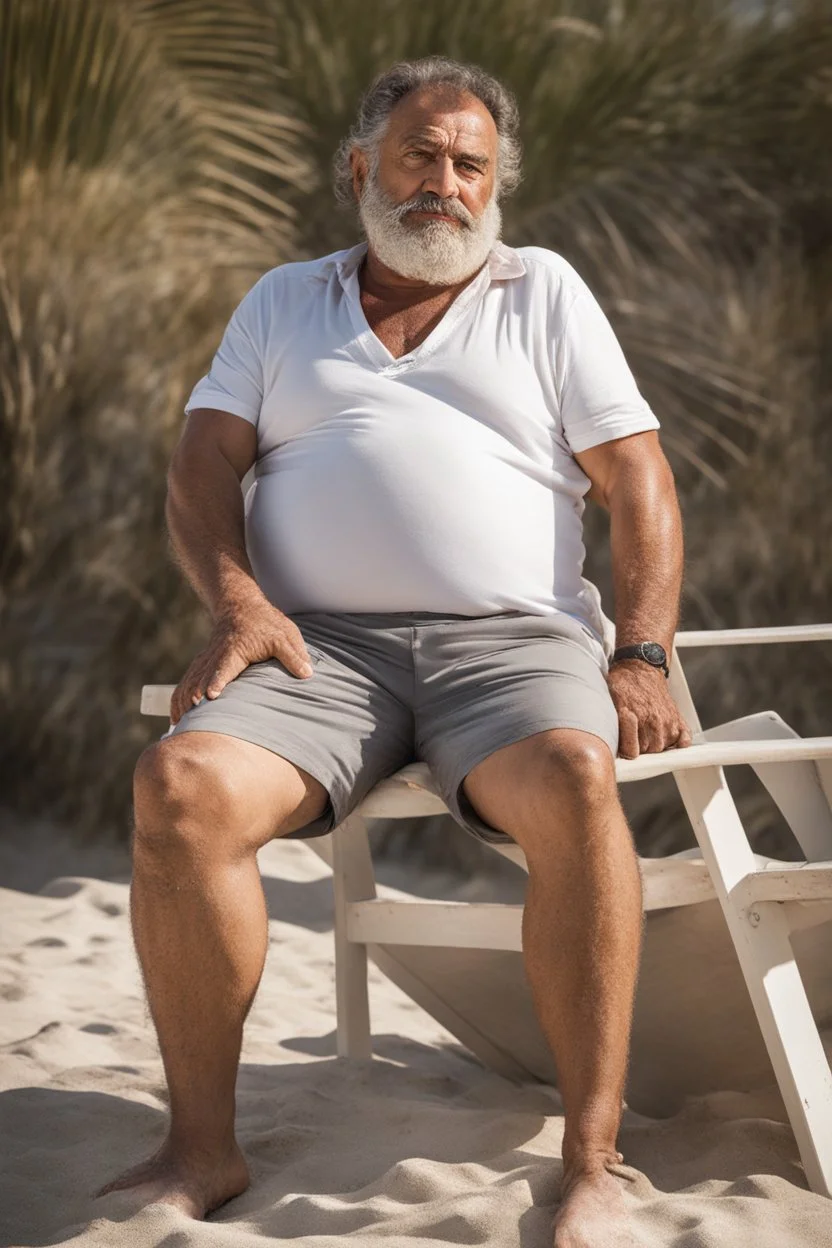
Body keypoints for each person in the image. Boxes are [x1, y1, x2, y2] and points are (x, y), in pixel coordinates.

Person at [97, 55, 692, 1247]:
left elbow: (636, 477)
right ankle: (200, 1150)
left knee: (577, 782)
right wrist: (236, 603)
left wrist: (639, 650)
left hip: (512, 641)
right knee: (179, 787)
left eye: (471, 164)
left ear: (498, 186)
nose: (445, 183)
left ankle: (591, 1161)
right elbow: (202, 463)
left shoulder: (544, 292)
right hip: (317, 652)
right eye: (420, 155)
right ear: (360, 167)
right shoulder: (282, 301)